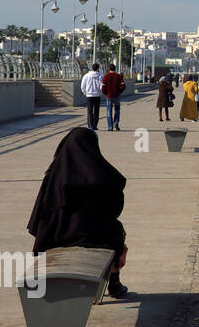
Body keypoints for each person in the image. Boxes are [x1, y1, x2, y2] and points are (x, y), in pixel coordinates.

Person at [27, 127, 132, 299]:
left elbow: (41, 212)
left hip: (54, 236)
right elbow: (114, 209)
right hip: (89, 237)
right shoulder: (99, 174)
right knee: (117, 233)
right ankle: (114, 283)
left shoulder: (54, 173)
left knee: (113, 231)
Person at [101, 63, 126, 131]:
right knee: (117, 110)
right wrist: (119, 91)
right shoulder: (118, 76)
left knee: (109, 111)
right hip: (116, 95)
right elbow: (123, 86)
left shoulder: (106, 76)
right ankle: (116, 122)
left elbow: (103, 87)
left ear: (109, 69)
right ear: (115, 69)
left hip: (109, 96)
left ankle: (110, 127)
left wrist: (106, 93)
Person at [80, 63, 104, 131]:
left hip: (89, 95)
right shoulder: (100, 76)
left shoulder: (86, 76)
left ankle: (90, 125)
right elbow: (102, 86)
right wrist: (100, 93)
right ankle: (95, 125)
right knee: (96, 111)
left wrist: (86, 93)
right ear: (98, 68)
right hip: (97, 95)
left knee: (89, 111)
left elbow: (83, 86)